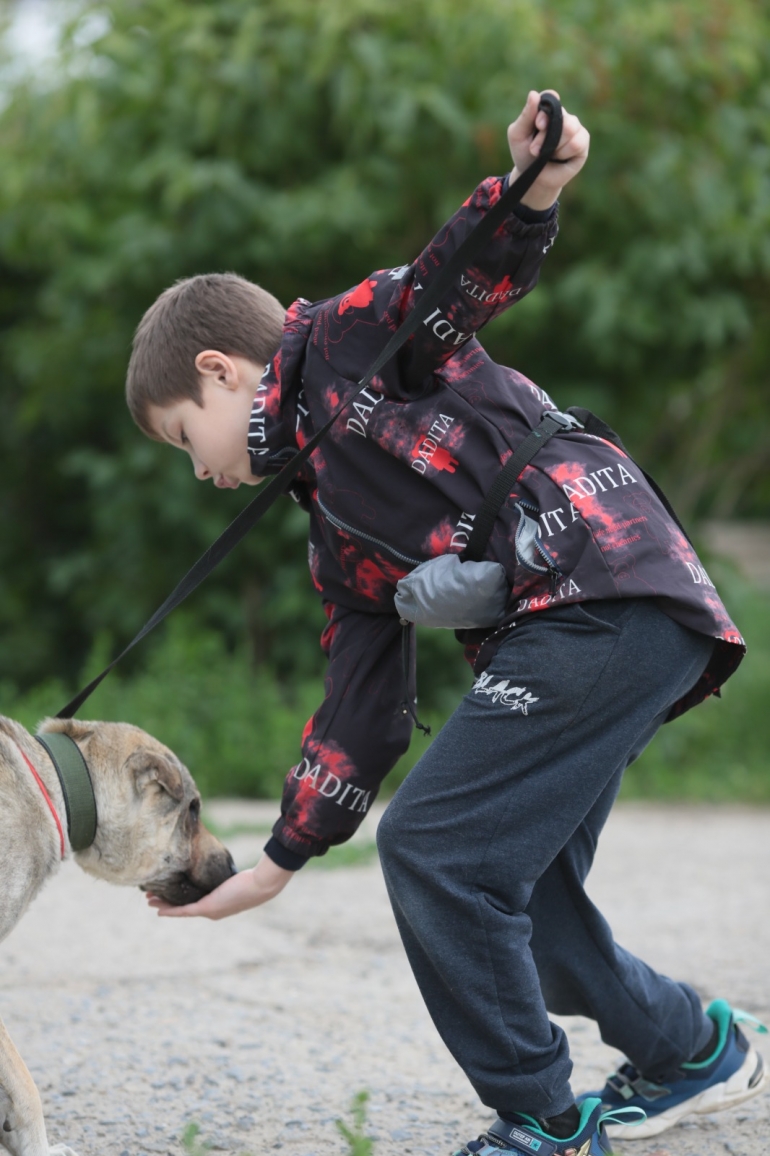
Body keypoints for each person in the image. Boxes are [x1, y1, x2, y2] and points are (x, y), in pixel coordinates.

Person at [125, 91, 765, 1155]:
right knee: (527, 894)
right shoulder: (333, 526)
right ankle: (692, 1049)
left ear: (218, 371)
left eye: (184, 438)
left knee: (432, 846)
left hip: (606, 586)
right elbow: (360, 713)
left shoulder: (342, 340)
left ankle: (542, 1120)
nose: (197, 469)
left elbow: (447, 284)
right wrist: (278, 860)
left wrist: (534, 185)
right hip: (597, 623)